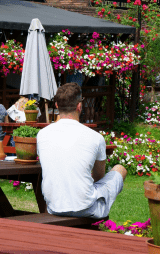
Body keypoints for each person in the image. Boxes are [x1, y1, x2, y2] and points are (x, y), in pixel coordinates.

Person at [37, 82, 127, 219]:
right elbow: (99, 177)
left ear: (56, 106)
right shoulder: (95, 138)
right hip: (87, 208)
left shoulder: (42, 135)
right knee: (120, 169)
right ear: (79, 106)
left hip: (54, 207)